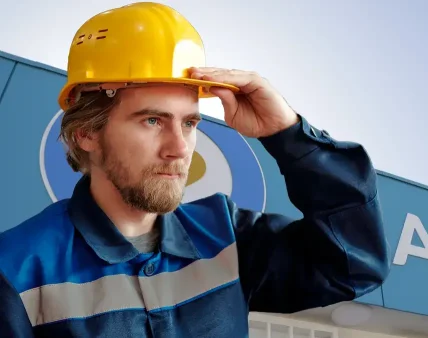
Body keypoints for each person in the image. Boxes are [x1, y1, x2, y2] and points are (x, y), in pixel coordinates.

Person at [0, 2, 390, 338]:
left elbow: (355, 265)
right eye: (152, 121)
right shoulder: (14, 269)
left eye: (189, 123)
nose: (179, 149)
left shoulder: (226, 236)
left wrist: (288, 133)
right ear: (86, 132)